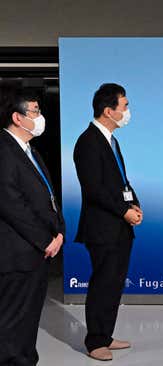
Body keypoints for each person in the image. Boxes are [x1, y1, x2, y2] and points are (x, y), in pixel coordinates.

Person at [73, 83, 143, 361]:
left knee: (114, 283)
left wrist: (134, 203)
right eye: (124, 106)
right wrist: (123, 211)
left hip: (119, 226)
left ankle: (106, 335)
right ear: (108, 111)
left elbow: (121, 182)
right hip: (102, 227)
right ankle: (95, 342)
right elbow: (95, 189)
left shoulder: (111, 140)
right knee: (103, 284)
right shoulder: (88, 142)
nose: (128, 111)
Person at [0, 82, 65, 365]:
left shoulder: (30, 150)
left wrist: (59, 230)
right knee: (12, 320)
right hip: (17, 252)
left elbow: (46, 196)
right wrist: (45, 239)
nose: (40, 118)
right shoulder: (3, 150)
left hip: (37, 251)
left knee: (28, 319)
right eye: (35, 111)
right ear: (18, 117)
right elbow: (11, 203)